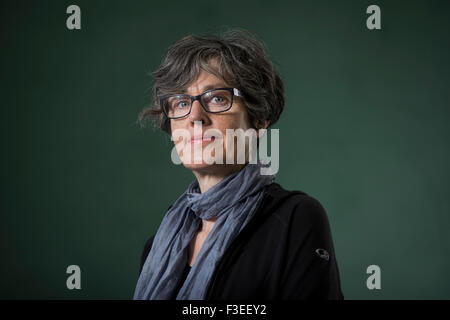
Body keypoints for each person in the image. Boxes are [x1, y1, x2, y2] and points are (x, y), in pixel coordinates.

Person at [134, 29, 344, 300]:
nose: (195, 117)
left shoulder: (294, 220)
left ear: (259, 120)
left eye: (217, 98)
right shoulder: (159, 245)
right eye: (181, 102)